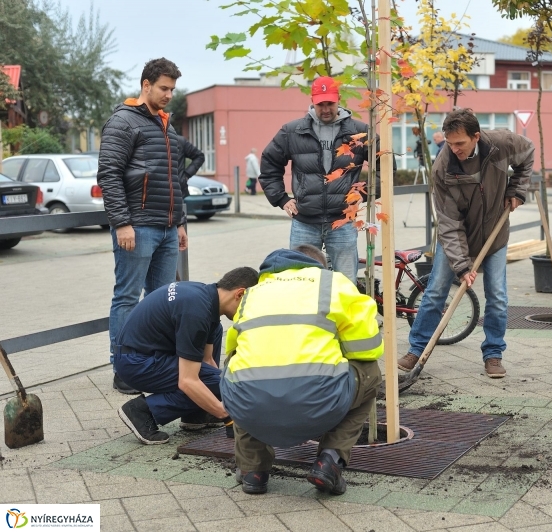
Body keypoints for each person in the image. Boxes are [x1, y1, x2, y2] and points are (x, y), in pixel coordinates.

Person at [221, 245, 383, 495]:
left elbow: (233, 349)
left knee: (238, 371)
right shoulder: (332, 283)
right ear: (319, 266)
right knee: (370, 373)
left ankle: (252, 471)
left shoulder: (252, 293)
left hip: (251, 405)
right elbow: (367, 349)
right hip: (318, 401)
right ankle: (330, 460)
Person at [397, 108, 532, 379]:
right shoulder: (443, 168)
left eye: (460, 143)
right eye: (449, 143)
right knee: (435, 292)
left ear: (476, 137)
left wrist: (516, 190)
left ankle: (493, 354)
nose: (454, 148)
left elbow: (527, 153)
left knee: (497, 296)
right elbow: (449, 223)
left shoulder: (501, 145)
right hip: (456, 237)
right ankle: (417, 349)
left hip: (494, 232)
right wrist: (461, 266)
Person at [97, 58, 188, 395]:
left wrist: (179, 222)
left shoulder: (167, 126)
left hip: (166, 229)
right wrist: (122, 223)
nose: (169, 95)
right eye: (164, 88)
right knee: (127, 297)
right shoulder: (124, 122)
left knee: (163, 300)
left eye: (172, 90)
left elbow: (174, 179)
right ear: (146, 85)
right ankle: (123, 368)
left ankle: (151, 364)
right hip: (137, 227)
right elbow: (109, 174)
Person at [259, 76, 394, 284]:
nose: (325, 109)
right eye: (320, 104)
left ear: (338, 99)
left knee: (346, 283)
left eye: (330, 103)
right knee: (299, 282)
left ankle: (342, 318)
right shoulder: (292, 131)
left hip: (342, 222)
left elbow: (385, 167)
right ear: (312, 101)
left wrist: (362, 193)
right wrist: (281, 199)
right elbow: (269, 164)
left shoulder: (359, 132)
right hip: (304, 222)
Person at [116, 267, 259, 444]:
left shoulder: (206, 297)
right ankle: (142, 410)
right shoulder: (196, 313)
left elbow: (207, 362)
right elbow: (188, 380)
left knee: (217, 364)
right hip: (136, 363)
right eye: (250, 306)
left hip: (146, 354)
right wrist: (227, 415)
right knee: (218, 382)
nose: (248, 313)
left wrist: (216, 393)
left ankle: (194, 414)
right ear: (239, 294)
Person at [176, 135, 205, 200]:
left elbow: (199, 156)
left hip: (178, 193)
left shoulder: (179, 141)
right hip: (154, 195)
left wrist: (186, 175)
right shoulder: (149, 141)